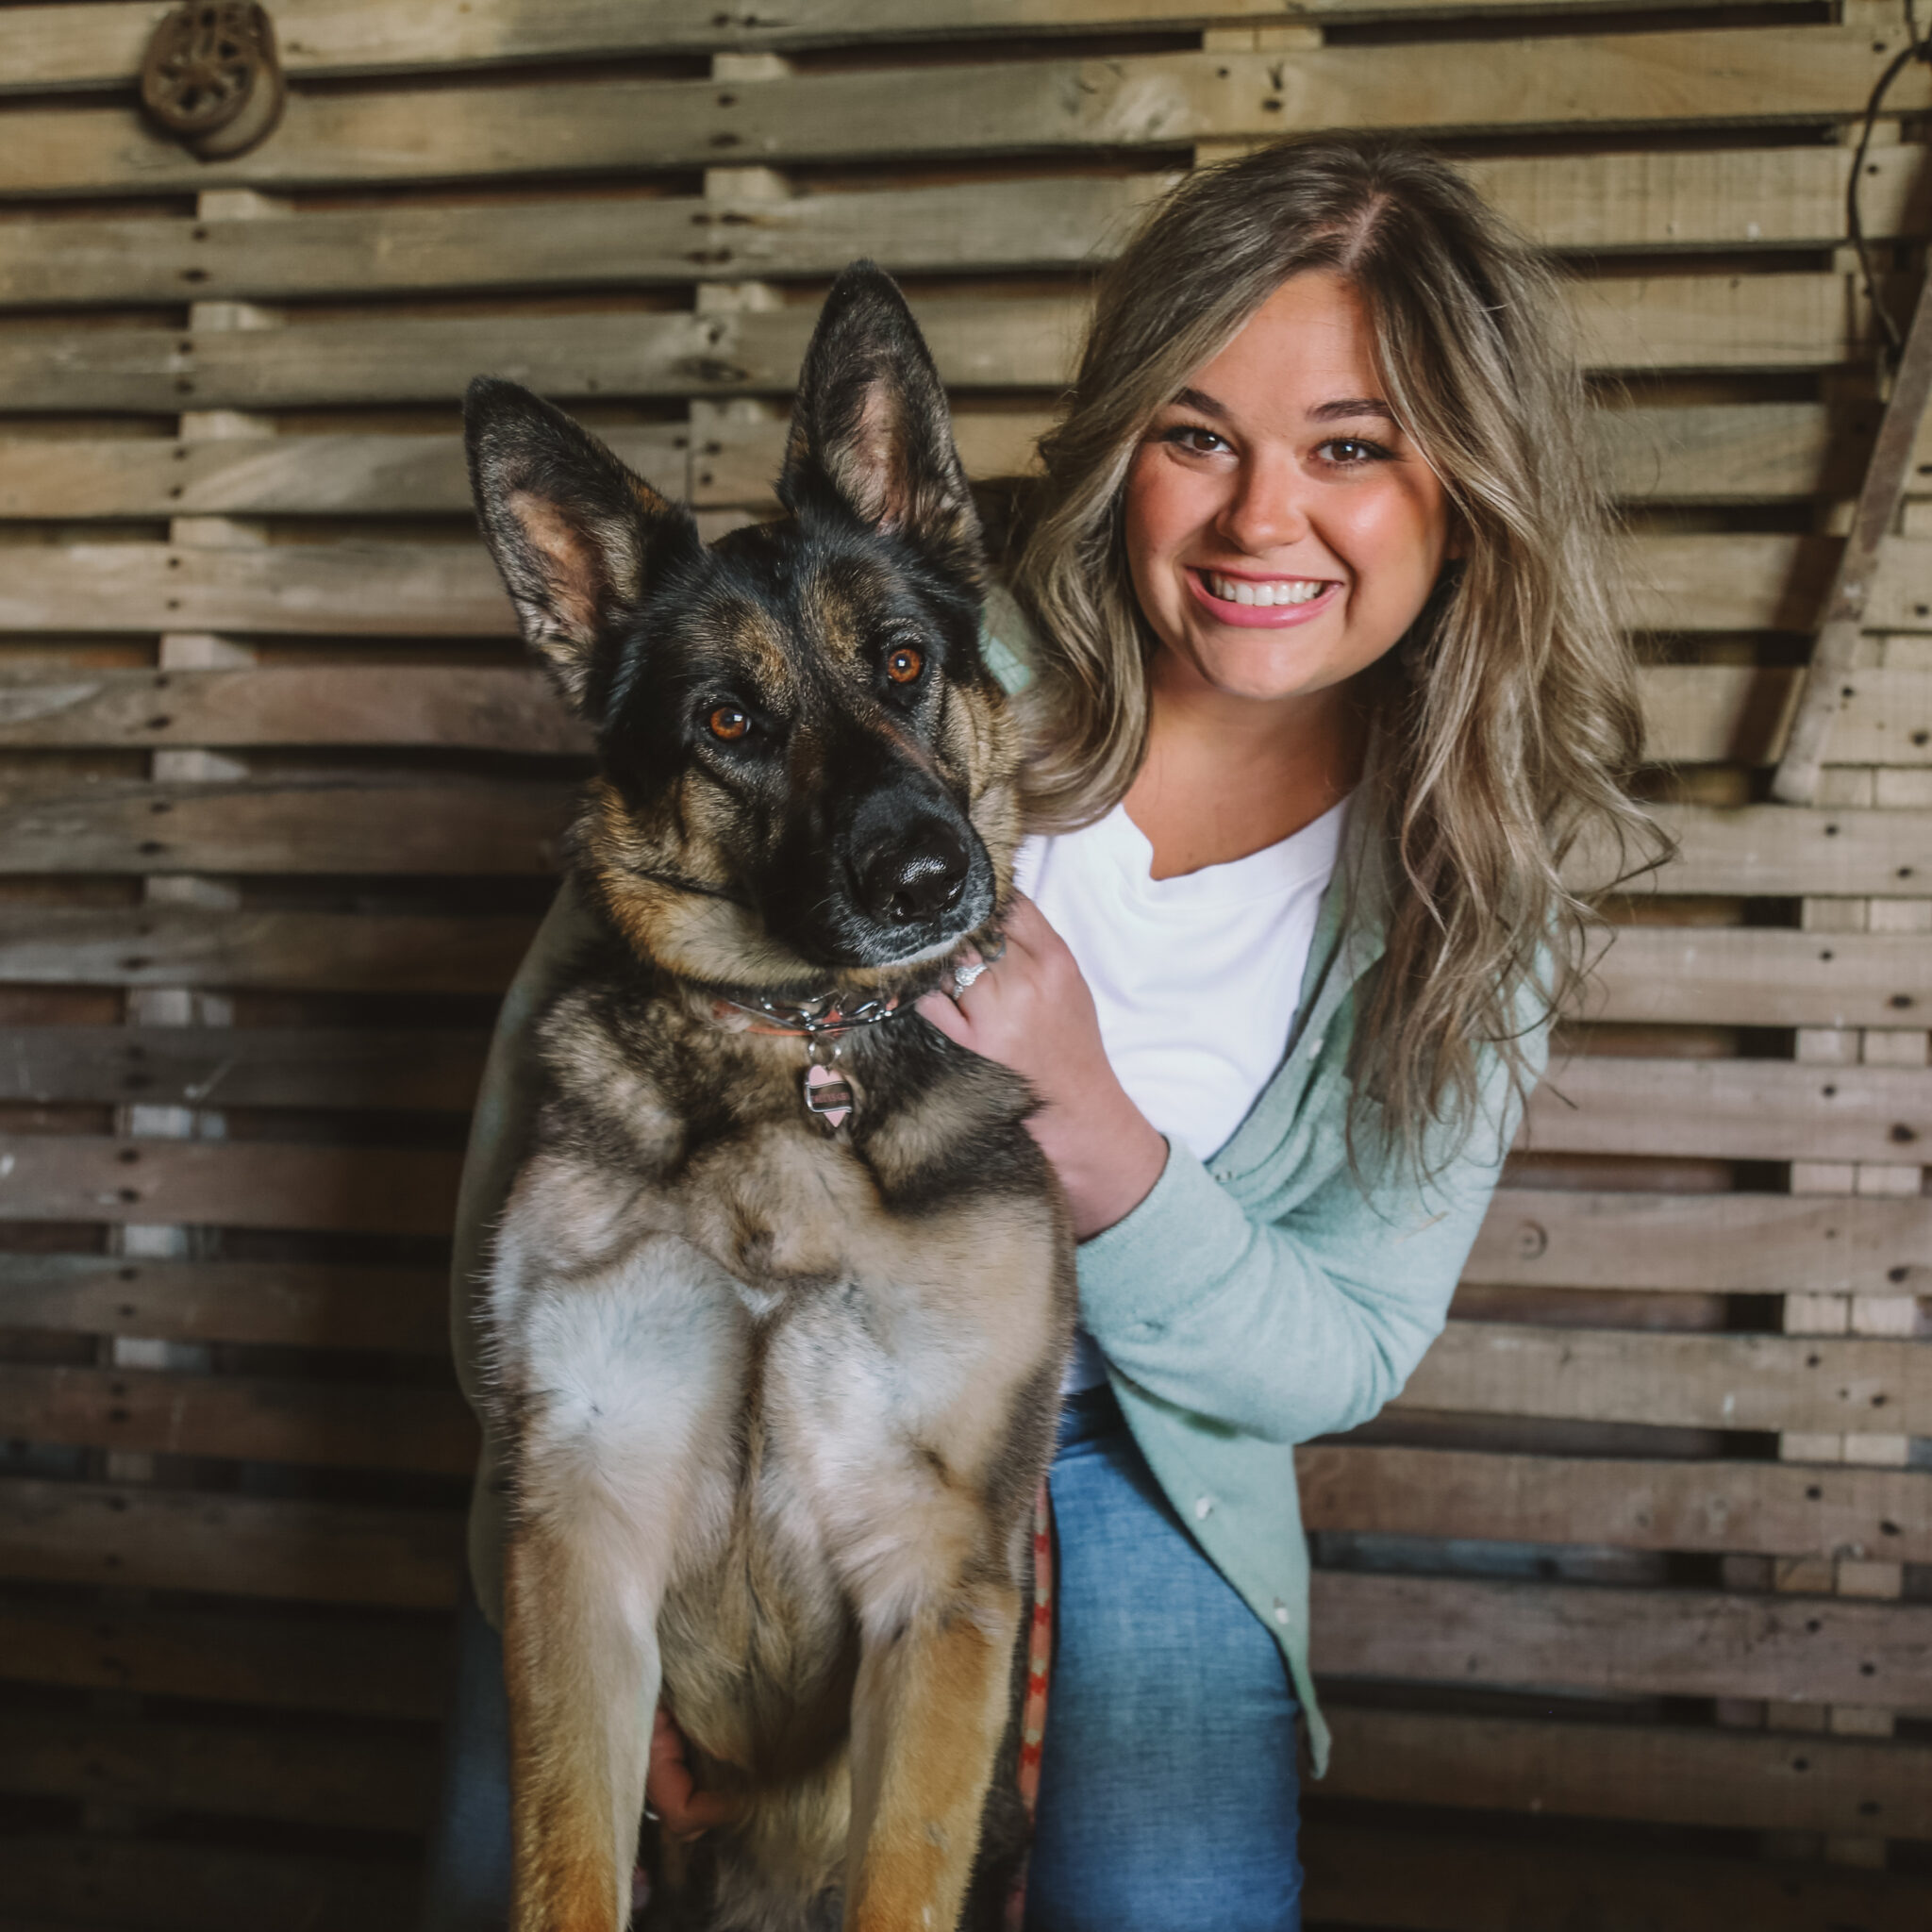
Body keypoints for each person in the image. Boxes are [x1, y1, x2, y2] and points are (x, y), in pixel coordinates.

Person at [421, 134, 1653, 1932]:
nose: (1262, 521)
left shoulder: (1477, 887)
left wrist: (1098, 1135)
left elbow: (1345, 1350)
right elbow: (551, 1114)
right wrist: (614, 1591)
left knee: (1175, 1905)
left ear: (1465, 479)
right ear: (1118, 445)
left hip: (1133, 1446)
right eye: (1199, 433)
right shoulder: (911, 623)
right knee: (506, 1877)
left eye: (1355, 447)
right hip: (668, 1376)